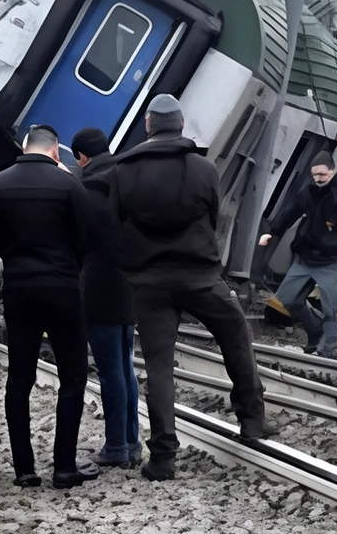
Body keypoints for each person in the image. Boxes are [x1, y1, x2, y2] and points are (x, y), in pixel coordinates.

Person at [112, 95, 266, 482]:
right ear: (181, 125)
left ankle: (163, 457)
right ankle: (252, 422)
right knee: (235, 338)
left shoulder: (123, 170)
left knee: (159, 367)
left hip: (148, 283)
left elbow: (115, 222)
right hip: (200, 277)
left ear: (148, 125)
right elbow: (213, 216)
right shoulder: (203, 168)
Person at [0, 124, 98, 489]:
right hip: (62, 290)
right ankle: (64, 467)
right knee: (73, 377)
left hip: (18, 290)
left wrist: (14, 252)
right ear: (56, 151)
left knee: (20, 377)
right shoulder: (70, 184)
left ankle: (24, 468)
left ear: (24, 147)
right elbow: (87, 238)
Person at [71, 126, 140, 470]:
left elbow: (78, 244)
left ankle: (116, 447)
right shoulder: (128, 181)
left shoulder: (86, 190)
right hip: (130, 286)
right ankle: (131, 441)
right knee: (125, 368)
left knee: (111, 371)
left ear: (82, 157)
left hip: (100, 287)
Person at [261, 151, 337, 360]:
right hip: (306, 254)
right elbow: (290, 213)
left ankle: (328, 349)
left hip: (331, 259)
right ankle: (315, 331)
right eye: (315, 174)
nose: (318, 179)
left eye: (322, 175)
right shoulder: (308, 193)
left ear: (332, 171)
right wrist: (272, 233)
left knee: (329, 307)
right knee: (287, 300)